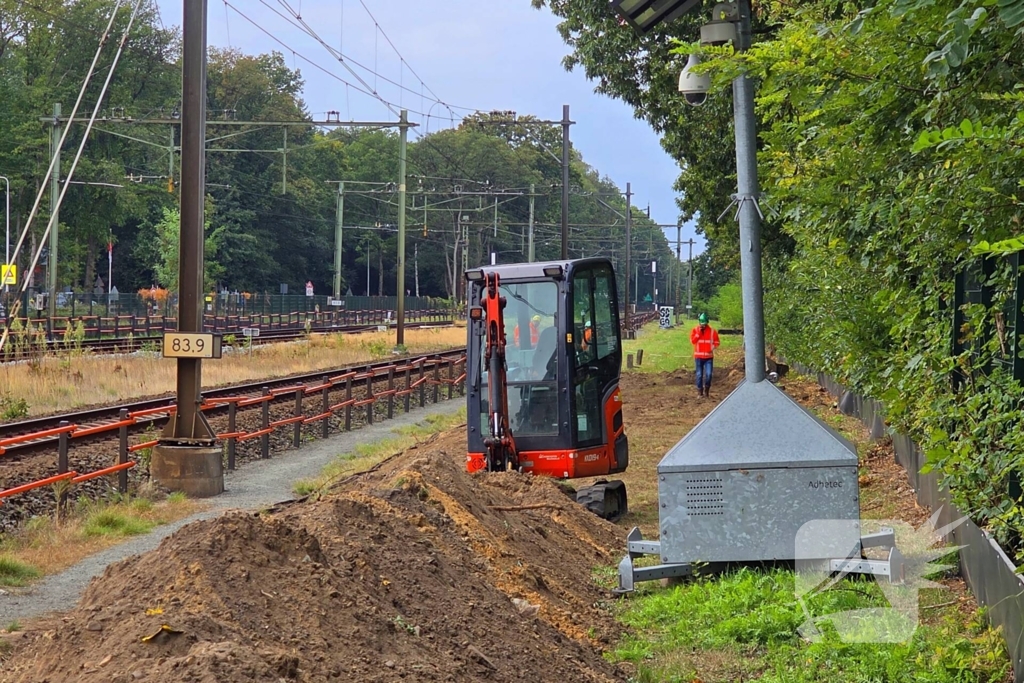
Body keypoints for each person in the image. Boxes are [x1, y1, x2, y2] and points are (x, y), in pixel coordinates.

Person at [690, 312, 720, 398]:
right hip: (698, 357)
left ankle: (707, 390)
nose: (703, 326)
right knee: (699, 374)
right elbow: (693, 341)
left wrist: (711, 348)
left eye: (704, 324)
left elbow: (717, 342)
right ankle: (700, 392)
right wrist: (698, 334)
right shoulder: (695, 330)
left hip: (708, 357)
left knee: (709, 374)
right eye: (701, 324)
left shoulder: (712, 332)